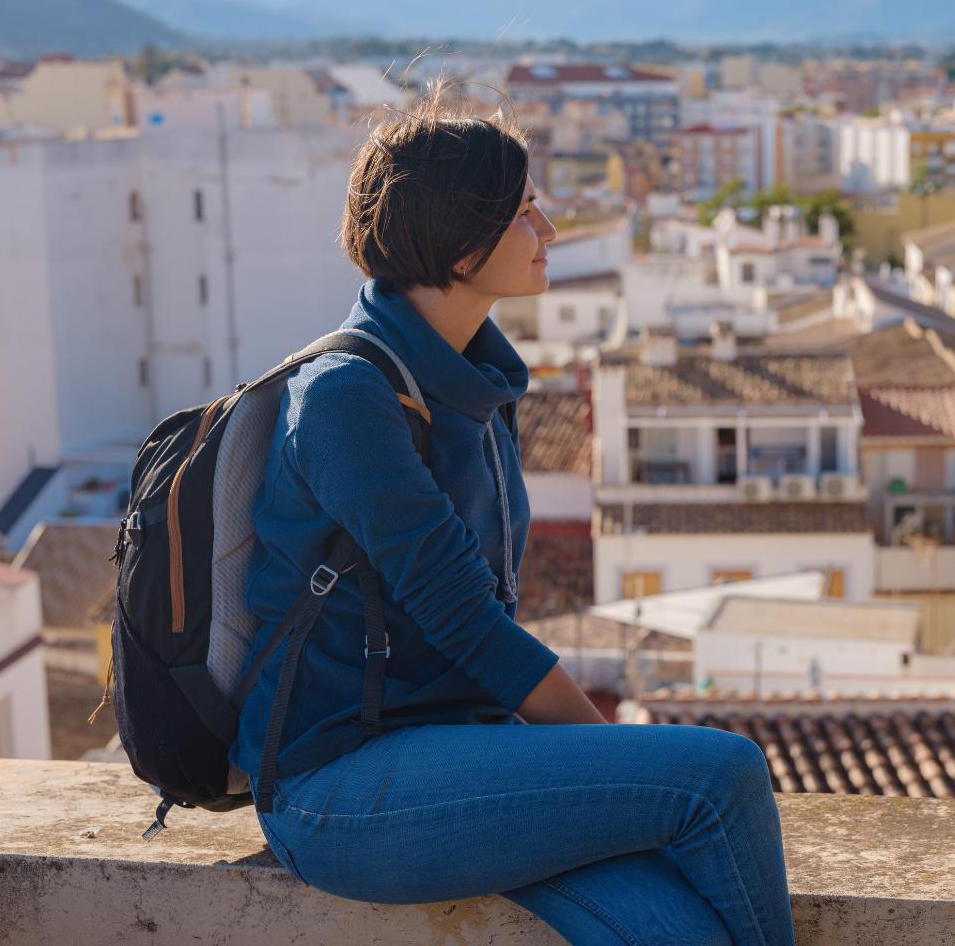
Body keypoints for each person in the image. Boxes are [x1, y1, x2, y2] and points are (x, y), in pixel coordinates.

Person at [232, 93, 795, 946]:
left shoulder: (474, 385)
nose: (551, 230)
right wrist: (615, 764)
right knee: (720, 775)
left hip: (465, 759)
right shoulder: (348, 396)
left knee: (679, 929)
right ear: (461, 242)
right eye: (525, 210)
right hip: (342, 790)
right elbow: (467, 617)